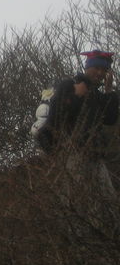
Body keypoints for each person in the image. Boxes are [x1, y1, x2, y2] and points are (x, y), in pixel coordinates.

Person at [37, 49, 120, 190]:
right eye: (96, 68)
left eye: (104, 70)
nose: (100, 73)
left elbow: (110, 119)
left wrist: (109, 91)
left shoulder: (95, 94)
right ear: (87, 67)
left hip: (94, 153)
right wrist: (76, 96)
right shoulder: (69, 85)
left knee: (106, 200)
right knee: (78, 198)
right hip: (72, 152)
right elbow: (57, 115)